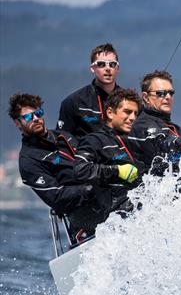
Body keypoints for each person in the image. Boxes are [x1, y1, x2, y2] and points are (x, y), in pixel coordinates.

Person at [11, 92, 138, 241]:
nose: (36, 119)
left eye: (38, 113)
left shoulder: (64, 136)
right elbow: (56, 197)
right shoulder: (28, 160)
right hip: (82, 212)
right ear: (18, 123)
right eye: (28, 117)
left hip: (110, 196)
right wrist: (89, 189)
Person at [127, 70, 181, 176]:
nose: (167, 97)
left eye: (171, 93)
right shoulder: (141, 124)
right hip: (148, 189)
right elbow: (161, 141)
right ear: (145, 97)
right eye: (161, 93)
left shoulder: (175, 129)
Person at [58, 43, 124, 138]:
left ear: (117, 68)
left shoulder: (129, 101)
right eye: (101, 64)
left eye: (112, 64)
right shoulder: (73, 102)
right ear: (92, 68)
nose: (108, 68)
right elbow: (62, 139)